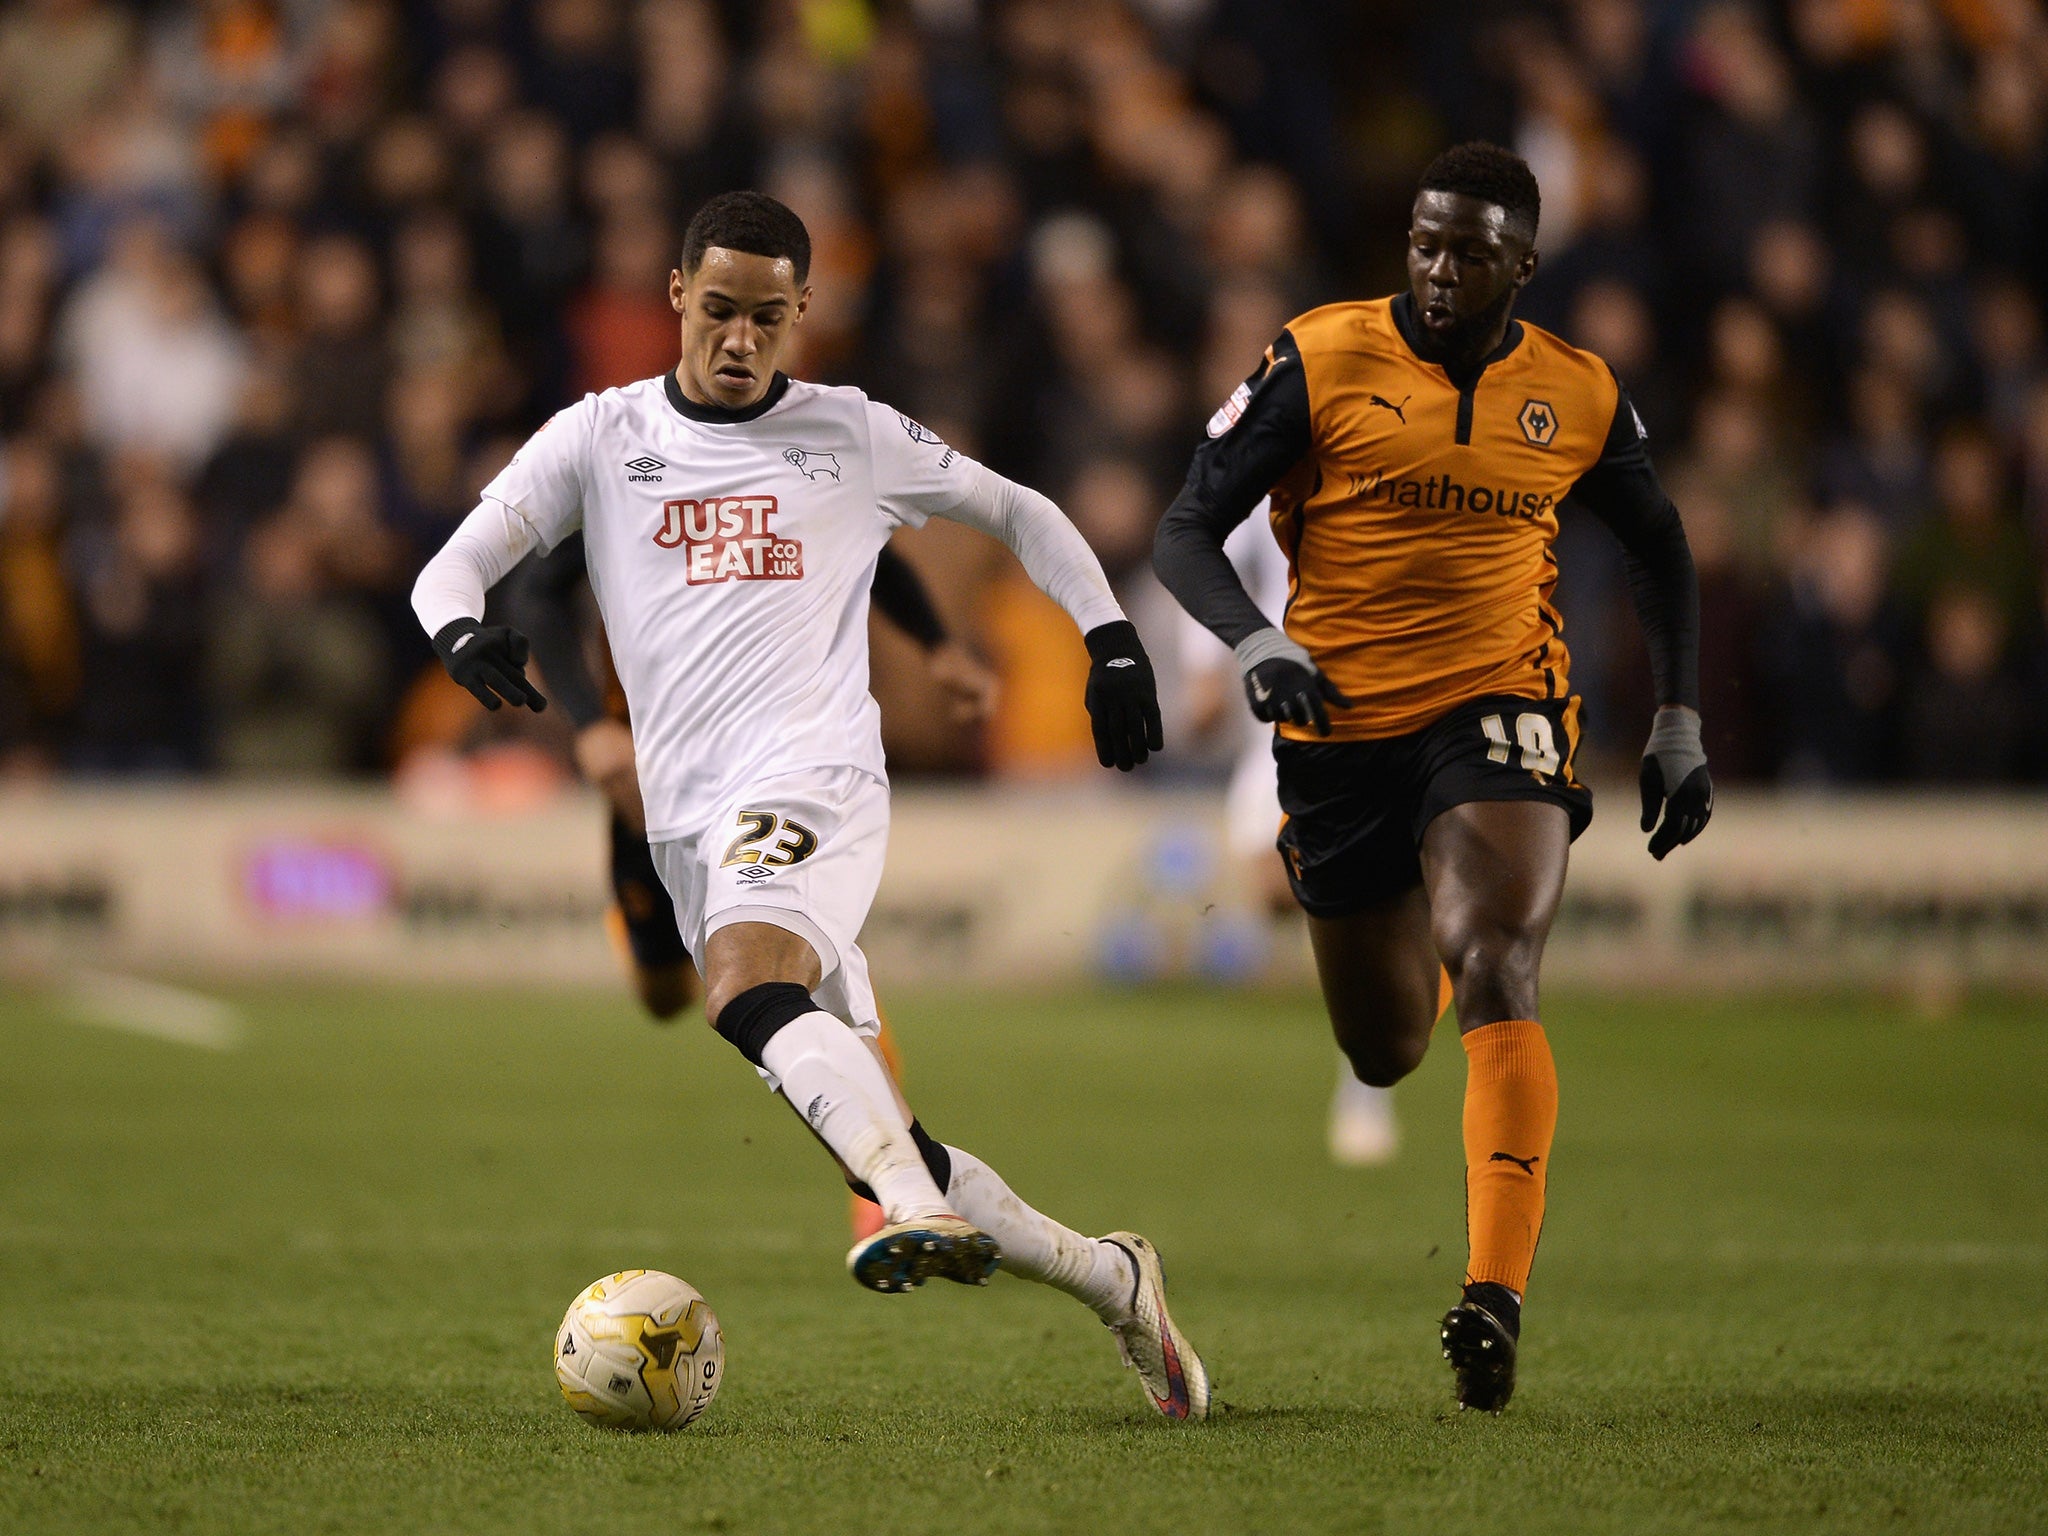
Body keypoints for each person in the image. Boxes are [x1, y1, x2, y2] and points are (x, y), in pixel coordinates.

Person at [413, 191, 1207, 1420]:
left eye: (766, 319)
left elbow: (1020, 512)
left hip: (814, 783)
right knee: (865, 1102)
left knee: (742, 986)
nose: (739, 340)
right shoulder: (599, 436)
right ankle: (1111, 1276)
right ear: (677, 294)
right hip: (686, 826)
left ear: (800, 315)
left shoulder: (850, 434)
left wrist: (1107, 636)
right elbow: (452, 561)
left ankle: (907, 1204)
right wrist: (460, 627)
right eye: (718, 310)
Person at [1154, 144, 1712, 1413]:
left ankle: (1491, 1299)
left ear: (1523, 261)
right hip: (1336, 725)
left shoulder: (1572, 389)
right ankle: (1393, 1004)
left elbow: (1660, 547)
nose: (1437, 269)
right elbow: (1183, 526)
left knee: (1494, 956)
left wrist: (1676, 716)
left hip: (1498, 705)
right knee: (1387, 1041)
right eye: (1421, 242)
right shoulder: (1319, 356)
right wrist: (1256, 641)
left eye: (1467, 249)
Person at [501, 533, 997, 1242]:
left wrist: (936, 643)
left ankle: (885, 1176)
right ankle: (654, 935)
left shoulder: (785, 455)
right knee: (664, 995)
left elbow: (862, 545)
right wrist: (588, 728)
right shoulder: (625, 457)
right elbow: (535, 589)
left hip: (769, 758)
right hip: (651, 766)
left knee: (795, 962)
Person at [1178, 508, 1399, 1166]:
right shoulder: (1268, 448)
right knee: (1274, 888)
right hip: (1280, 702)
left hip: (1376, 691)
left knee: (1351, 897)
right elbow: (1203, 540)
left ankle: (1364, 1091)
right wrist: (1203, 665)